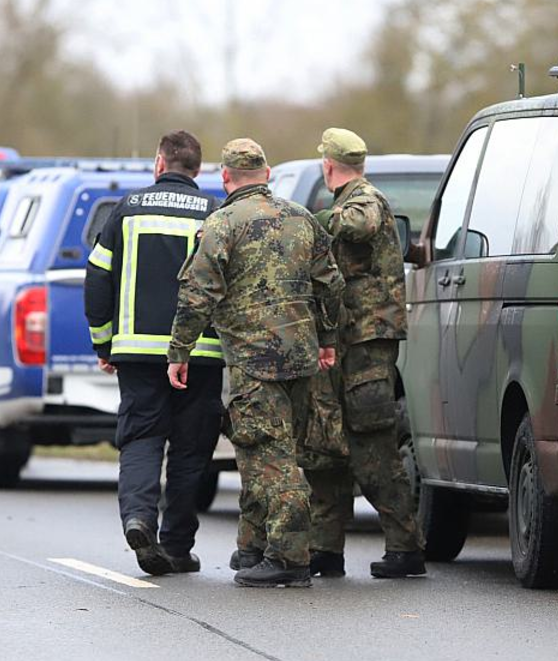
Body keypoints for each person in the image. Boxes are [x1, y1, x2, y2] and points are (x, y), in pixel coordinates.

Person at [167, 138, 344, 588]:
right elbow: (331, 285)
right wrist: (327, 340)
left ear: (225, 177)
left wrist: (180, 351)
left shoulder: (222, 224)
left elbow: (197, 294)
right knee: (263, 449)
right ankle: (253, 544)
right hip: (301, 357)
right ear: (266, 174)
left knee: (268, 455)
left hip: (253, 359)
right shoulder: (301, 218)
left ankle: (289, 556)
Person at [84, 130, 223, 576]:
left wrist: (103, 342)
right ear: (198, 169)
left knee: (141, 438)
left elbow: (97, 278)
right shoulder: (213, 213)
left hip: (136, 354)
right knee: (191, 450)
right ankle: (177, 546)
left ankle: (139, 518)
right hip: (201, 356)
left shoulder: (127, 210)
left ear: (159, 164)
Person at [303, 128, 426, 579]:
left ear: (328, 165)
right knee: (327, 444)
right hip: (339, 342)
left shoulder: (365, 199)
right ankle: (325, 548)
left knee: (372, 443)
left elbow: (362, 223)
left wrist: (316, 220)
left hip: (365, 346)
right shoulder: (347, 199)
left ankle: (405, 547)